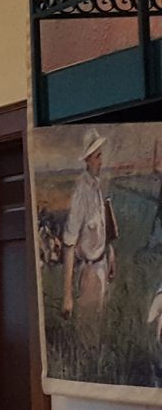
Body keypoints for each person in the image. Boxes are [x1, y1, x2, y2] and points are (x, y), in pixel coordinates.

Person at [62, 128, 117, 317]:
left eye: (101, 156)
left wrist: (110, 254)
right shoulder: (81, 193)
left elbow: (101, 230)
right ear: (87, 160)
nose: (101, 161)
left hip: (102, 268)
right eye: (97, 157)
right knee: (88, 332)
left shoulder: (96, 187)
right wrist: (67, 296)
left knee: (101, 326)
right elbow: (69, 245)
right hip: (89, 272)